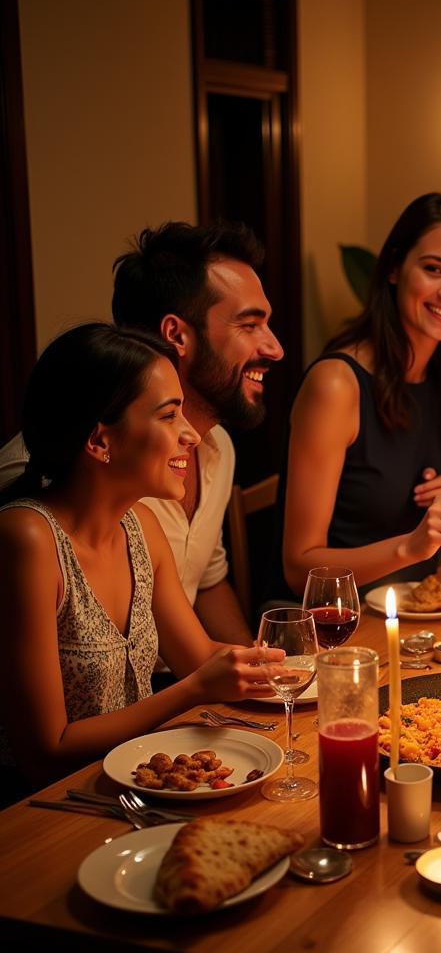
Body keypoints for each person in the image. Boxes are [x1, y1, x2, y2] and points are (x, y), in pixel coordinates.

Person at [0, 324, 282, 790]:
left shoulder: (141, 528)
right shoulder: (27, 538)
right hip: (40, 810)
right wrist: (191, 691)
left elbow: (200, 658)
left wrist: (313, 670)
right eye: (170, 415)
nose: (190, 434)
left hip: (131, 788)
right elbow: (44, 753)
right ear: (99, 441)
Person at [0, 221, 283, 645]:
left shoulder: (218, 446)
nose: (275, 348)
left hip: (182, 688)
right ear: (176, 335)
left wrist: (255, 669)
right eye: (249, 325)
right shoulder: (53, 469)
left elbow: (205, 583)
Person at [274, 192, 441, 596]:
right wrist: (411, 545)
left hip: (411, 616)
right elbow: (299, 568)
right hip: (328, 630)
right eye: (435, 269)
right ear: (393, 268)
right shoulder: (336, 384)